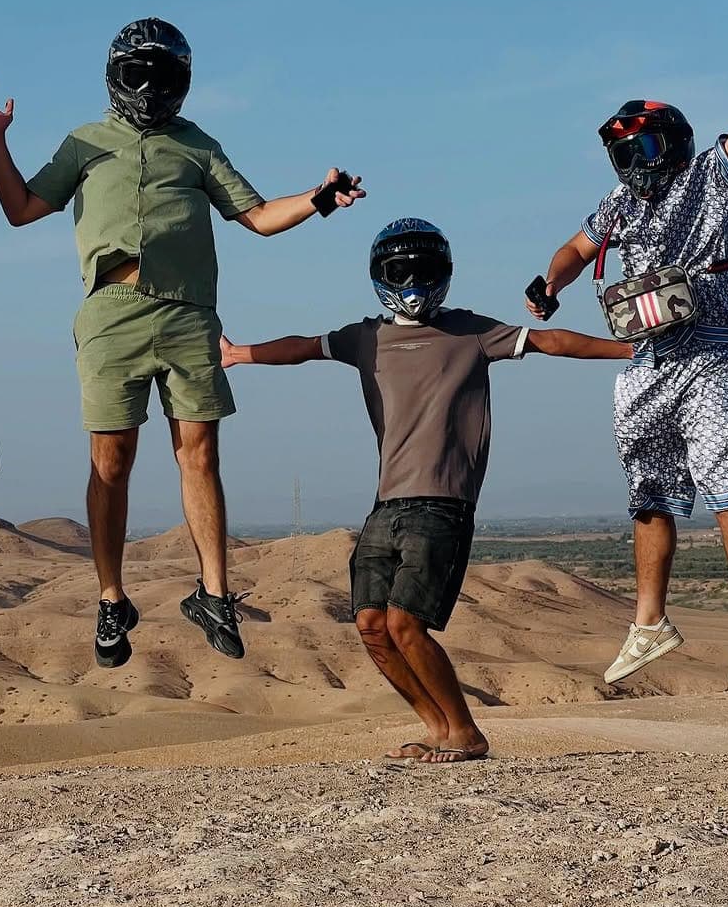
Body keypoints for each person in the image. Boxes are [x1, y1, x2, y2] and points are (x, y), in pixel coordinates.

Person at [0, 18, 363, 666]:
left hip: (189, 317)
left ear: (180, 83)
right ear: (116, 77)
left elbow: (259, 217)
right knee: (111, 462)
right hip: (111, 316)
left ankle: (213, 593)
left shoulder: (198, 146)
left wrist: (320, 199)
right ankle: (110, 599)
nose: (149, 88)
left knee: (199, 455)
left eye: (162, 76)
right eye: (137, 75)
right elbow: (20, 209)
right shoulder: (84, 143)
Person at [223, 218, 631, 762]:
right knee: (370, 626)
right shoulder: (364, 337)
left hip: (443, 501)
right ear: (381, 278)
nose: (413, 283)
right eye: (401, 273)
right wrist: (239, 354)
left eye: (424, 272)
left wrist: (632, 352)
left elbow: (552, 341)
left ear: (444, 275)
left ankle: (466, 732)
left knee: (404, 623)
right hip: (385, 502)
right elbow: (305, 347)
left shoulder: (472, 332)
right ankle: (437, 728)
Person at [528, 100, 728, 688]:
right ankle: (649, 622)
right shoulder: (619, 205)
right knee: (649, 495)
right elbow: (576, 248)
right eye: (622, 154)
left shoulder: (713, 173)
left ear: (673, 144)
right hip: (646, 362)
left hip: (713, 354)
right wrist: (551, 282)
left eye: (642, 149)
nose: (632, 164)